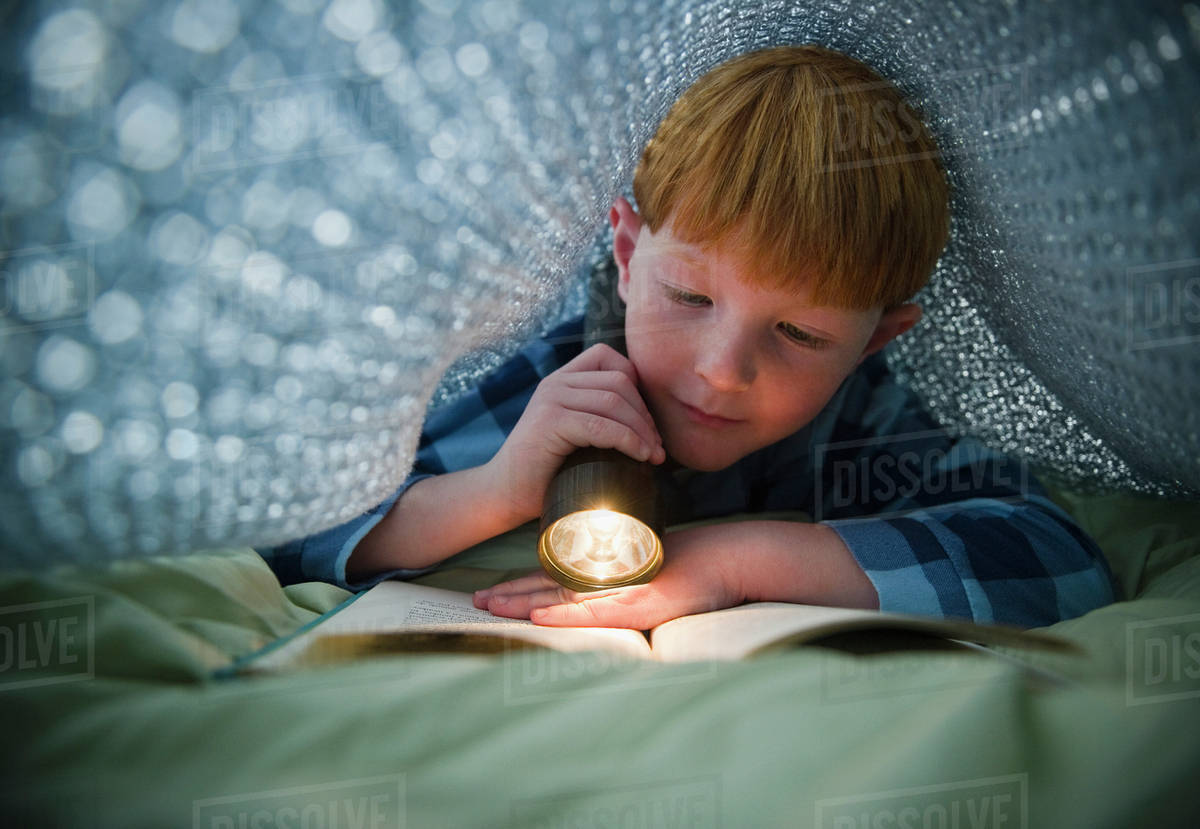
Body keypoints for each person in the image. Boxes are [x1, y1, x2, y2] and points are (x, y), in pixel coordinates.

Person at [256, 45, 1118, 630]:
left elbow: (1058, 559)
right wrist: (498, 489)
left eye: (800, 333)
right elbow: (290, 529)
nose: (722, 371)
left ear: (874, 341)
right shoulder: (566, 385)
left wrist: (740, 559)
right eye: (690, 295)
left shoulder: (867, 423)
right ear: (628, 256)